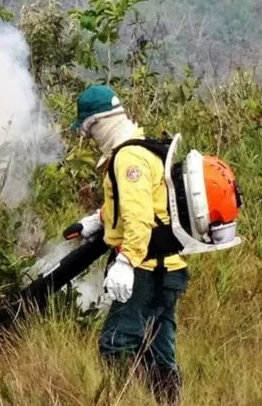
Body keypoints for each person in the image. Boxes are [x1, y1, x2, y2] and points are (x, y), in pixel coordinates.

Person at [66, 84, 188, 404]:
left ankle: (127, 399)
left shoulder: (128, 157)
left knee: (116, 344)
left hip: (146, 269)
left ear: (98, 123)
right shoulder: (144, 148)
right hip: (170, 267)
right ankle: (167, 401)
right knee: (159, 349)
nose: (89, 139)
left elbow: (138, 216)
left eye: (88, 130)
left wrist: (126, 263)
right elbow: (134, 205)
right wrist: (96, 221)